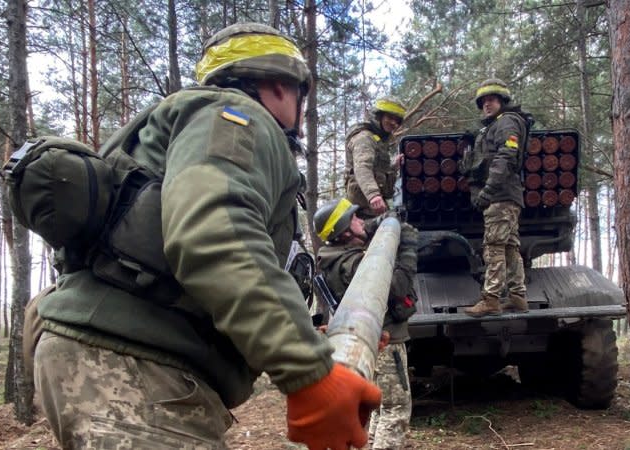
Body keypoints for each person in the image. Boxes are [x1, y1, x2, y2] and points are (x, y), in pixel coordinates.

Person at [32, 23, 381, 450]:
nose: (301, 112)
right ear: (277, 85)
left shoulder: (191, 127)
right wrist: (309, 371)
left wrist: (321, 341)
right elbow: (213, 234)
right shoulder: (237, 119)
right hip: (133, 370)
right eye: (299, 95)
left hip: (120, 363)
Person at [314, 198, 418, 450]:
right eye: (355, 219)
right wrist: (408, 248)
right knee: (395, 410)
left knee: (381, 408)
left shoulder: (335, 257)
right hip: (385, 340)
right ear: (345, 231)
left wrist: (387, 220)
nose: (362, 221)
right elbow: (396, 286)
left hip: (373, 341)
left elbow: (367, 228)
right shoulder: (354, 265)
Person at [461, 78, 530, 317]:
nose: (487, 105)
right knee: (510, 247)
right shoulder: (494, 126)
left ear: (502, 101)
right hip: (507, 196)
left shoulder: (507, 122)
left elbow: (506, 155)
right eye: (483, 102)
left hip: (500, 196)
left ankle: (491, 299)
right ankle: (518, 297)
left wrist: (488, 190)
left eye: (491, 100)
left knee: (493, 247)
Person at [344, 97, 407, 219]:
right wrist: (373, 195)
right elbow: (362, 167)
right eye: (390, 117)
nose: (394, 123)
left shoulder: (378, 140)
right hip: (364, 211)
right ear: (379, 116)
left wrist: (394, 166)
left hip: (373, 209)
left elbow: (378, 170)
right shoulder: (364, 138)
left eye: (397, 120)